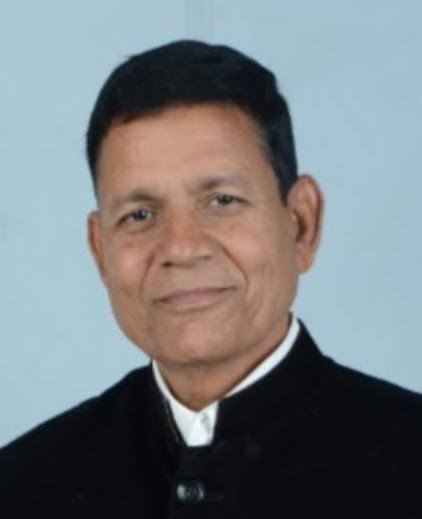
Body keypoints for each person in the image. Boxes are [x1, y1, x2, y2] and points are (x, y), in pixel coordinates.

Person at [1, 40, 421, 518]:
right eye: (140, 215)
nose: (180, 248)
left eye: (222, 201)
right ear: (101, 251)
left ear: (301, 224)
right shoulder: (22, 485)